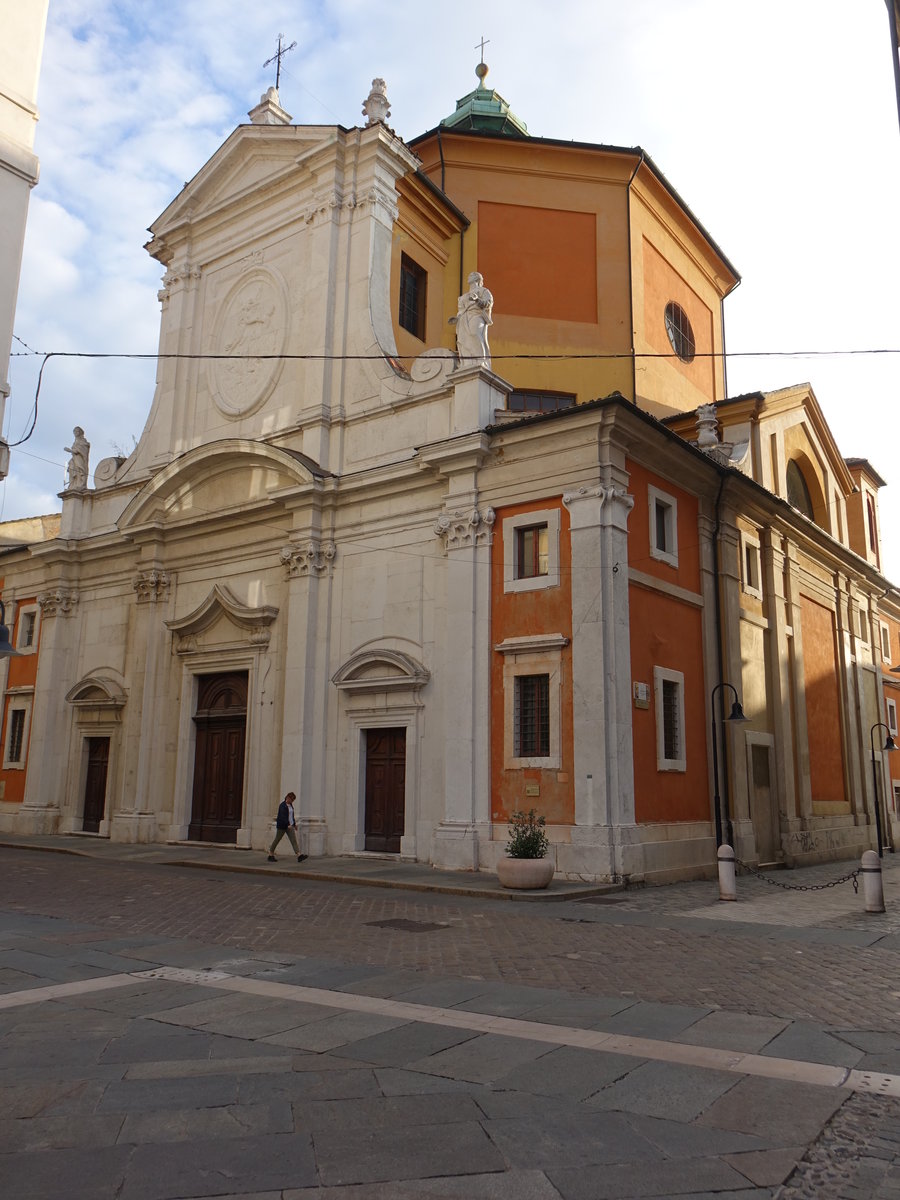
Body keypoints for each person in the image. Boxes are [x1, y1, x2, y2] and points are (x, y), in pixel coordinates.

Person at [451, 271, 493, 368]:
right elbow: (461, 310)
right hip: (464, 318)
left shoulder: (483, 291)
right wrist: (456, 318)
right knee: (463, 339)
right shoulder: (463, 297)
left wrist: (477, 300)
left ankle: (480, 361)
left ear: (477, 279)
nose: (469, 277)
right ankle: (467, 363)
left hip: (477, 314)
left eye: (472, 275)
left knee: (475, 334)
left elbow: (488, 303)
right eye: (469, 275)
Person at [267, 791, 307, 862]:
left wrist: (294, 824)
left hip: (290, 826)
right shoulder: (282, 805)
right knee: (277, 839)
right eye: (291, 799)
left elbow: (291, 816)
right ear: (288, 798)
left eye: (293, 800)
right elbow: (283, 817)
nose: (292, 801)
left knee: (293, 840)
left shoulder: (290, 805)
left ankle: (299, 855)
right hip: (282, 826)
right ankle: (270, 854)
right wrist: (287, 824)